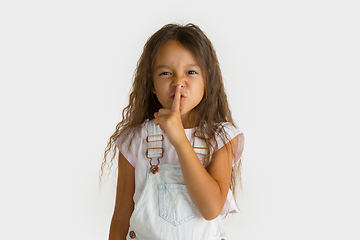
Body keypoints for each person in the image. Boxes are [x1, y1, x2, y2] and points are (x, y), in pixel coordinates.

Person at [101, 23, 245, 240]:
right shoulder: (134, 141)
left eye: (191, 72)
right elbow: (121, 219)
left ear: (207, 80)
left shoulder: (221, 138)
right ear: (151, 84)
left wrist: (179, 140)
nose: (179, 82)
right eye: (166, 73)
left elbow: (211, 209)